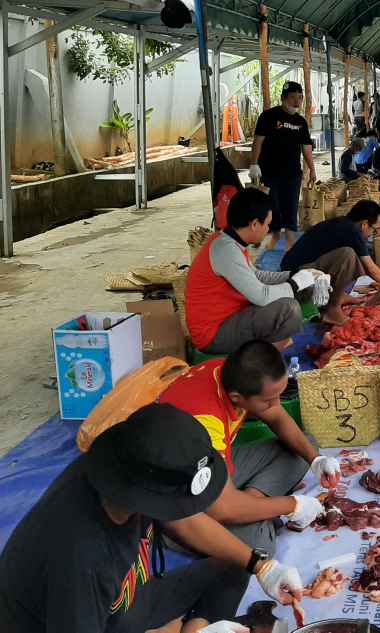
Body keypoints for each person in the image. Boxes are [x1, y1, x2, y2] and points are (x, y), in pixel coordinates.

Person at [0, 404, 308, 633]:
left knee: (235, 563)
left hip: (124, 602)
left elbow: (184, 519)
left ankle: (194, 626)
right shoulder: (82, 555)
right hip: (80, 621)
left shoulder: (122, 474)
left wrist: (264, 568)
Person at [160, 342, 333, 555]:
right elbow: (223, 509)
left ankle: (250, 505)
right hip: (178, 501)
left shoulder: (228, 372)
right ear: (237, 398)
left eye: (278, 395)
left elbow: (275, 414)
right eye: (268, 400)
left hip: (214, 467)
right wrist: (292, 505)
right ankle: (184, 534)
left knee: (304, 446)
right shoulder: (204, 422)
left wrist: (316, 460)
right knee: (259, 548)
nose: (276, 404)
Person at [186, 188, 320, 354]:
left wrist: (295, 276)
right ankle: (266, 360)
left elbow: (256, 275)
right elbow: (262, 296)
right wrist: (294, 283)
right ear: (254, 224)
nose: (268, 230)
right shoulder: (225, 250)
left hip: (232, 317)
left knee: (302, 289)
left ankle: (271, 347)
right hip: (213, 334)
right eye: (267, 224)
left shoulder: (230, 241)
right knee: (288, 309)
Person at [281, 200, 380, 324]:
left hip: (298, 274)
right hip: (296, 283)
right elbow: (371, 268)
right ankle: (332, 309)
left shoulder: (343, 224)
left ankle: (338, 296)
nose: (373, 234)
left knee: (356, 259)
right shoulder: (351, 231)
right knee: (348, 256)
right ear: (364, 224)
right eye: (374, 230)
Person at [248, 81, 316, 254]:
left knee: (291, 207)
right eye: (293, 97)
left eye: (300, 98)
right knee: (273, 207)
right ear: (283, 98)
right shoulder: (268, 116)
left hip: (292, 173)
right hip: (269, 172)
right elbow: (258, 141)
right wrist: (254, 164)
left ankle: (290, 241)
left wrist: (312, 169)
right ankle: (275, 237)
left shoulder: (300, 122)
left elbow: (306, 147)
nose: (297, 102)